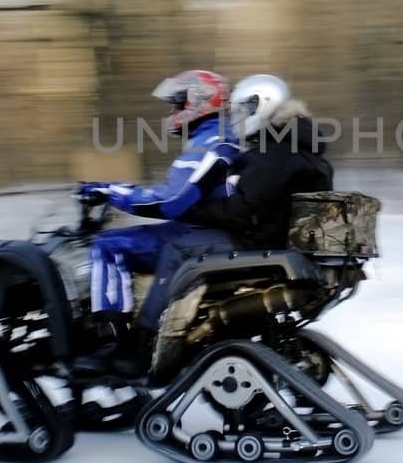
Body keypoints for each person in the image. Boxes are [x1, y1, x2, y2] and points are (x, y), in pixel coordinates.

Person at [72, 69, 239, 376]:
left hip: (202, 233)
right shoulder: (218, 136)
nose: (172, 112)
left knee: (107, 247)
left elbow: (172, 201)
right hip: (203, 228)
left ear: (197, 101)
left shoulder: (213, 141)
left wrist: (109, 191)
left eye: (177, 103)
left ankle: (115, 344)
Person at [187, 73, 334, 249]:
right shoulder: (300, 149)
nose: (237, 119)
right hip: (283, 245)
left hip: (261, 247)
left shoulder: (274, 154)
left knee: (175, 247)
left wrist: (193, 209)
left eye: (242, 111)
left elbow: (243, 212)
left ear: (260, 106)